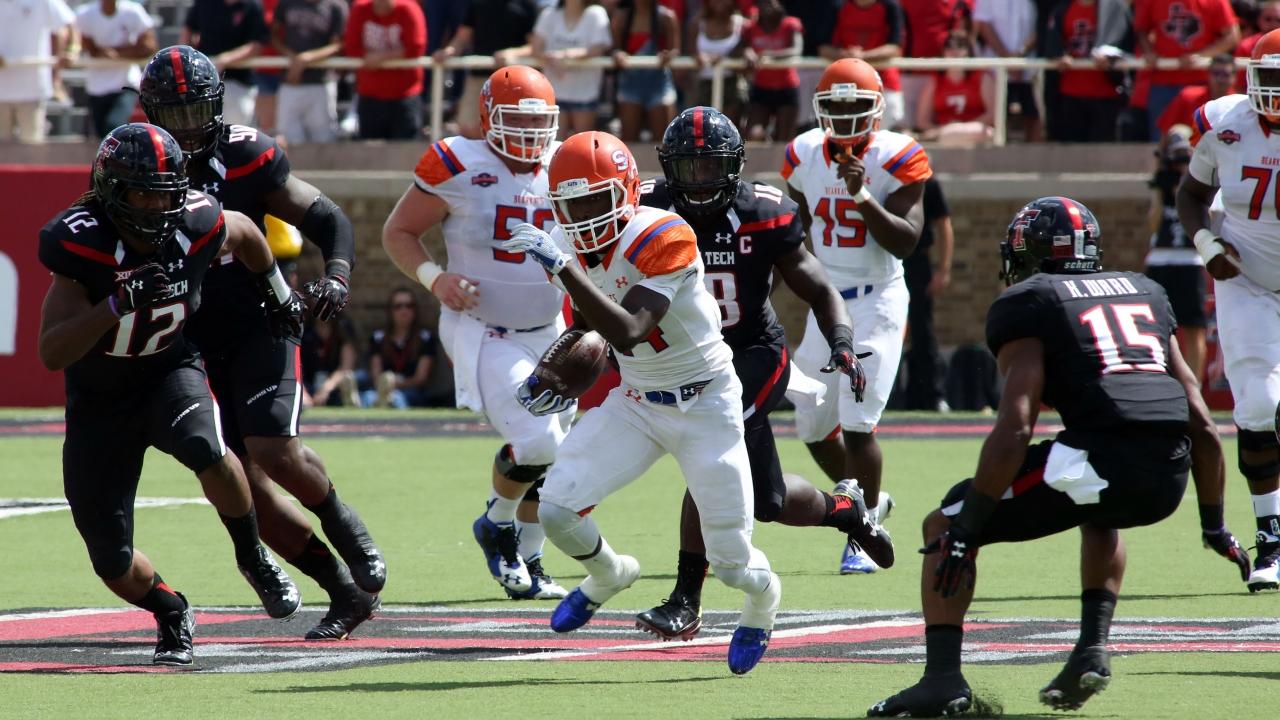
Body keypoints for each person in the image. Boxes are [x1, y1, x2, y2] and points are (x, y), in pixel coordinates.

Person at [868, 196, 1246, 716]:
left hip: (1101, 460)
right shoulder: (1146, 291)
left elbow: (1016, 424)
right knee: (1098, 508)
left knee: (944, 523)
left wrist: (967, 527)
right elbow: (1200, 417)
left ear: (1030, 254)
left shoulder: (1031, 301)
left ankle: (941, 680)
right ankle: (1091, 648)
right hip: (1170, 473)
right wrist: (1214, 525)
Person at [500, 131, 795, 677]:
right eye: (573, 205)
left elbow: (631, 329)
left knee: (731, 562)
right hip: (637, 400)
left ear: (628, 192)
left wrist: (562, 267)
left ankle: (763, 599)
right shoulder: (568, 245)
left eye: (597, 200)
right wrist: (554, 373)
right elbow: (589, 326)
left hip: (706, 404)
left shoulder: (664, 233)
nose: (585, 217)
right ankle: (610, 573)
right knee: (557, 508)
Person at [140, 46, 385, 640]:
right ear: (149, 113)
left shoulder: (246, 153)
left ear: (218, 106)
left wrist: (338, 276)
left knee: (274, 449)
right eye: (173, 115)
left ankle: (343, 525)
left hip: (260, 320)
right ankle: (344, 592)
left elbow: (327, 218)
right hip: (187, 341)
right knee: (238, 483)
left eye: (196, 112)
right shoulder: (137, 161)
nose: (187, 128)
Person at [37, 123, 304, 666]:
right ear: (112, 191)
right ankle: (171, 609)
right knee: (111, 559)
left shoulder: (197, 220)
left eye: (166, 192)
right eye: (144, 194)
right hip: (100, 401)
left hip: (168, 372)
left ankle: (252, 556)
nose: (158, 206)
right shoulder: (79, 241)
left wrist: (277, 295)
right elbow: (52, 351)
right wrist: (114, 306)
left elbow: (247, 233)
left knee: (208, 448)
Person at [632, 107, 889, 641]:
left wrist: (842, 343)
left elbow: (820, 288)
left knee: (707, 452)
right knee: (767, 501)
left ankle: (685, 600)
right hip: (687, 357)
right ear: (668, 168)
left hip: (752, 352)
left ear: (735, 166)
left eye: (711, 166)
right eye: (688, 168)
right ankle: (846, 509)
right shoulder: (647, 207)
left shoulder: (764, 212)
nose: (699, 181)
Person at [381, 66, 570, 600]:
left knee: (554, 456)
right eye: (517, 121)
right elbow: (399, 231)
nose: (530, 133)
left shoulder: (565, 165)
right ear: (489, 117)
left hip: (550, 327)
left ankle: (530, 560)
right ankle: (496, 522)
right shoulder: (459, 162)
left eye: (538, 122)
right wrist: (434, 278)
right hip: (484, 328)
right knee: (537, 440)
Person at [783, 58, 930, 573]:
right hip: (827, 298)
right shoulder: (802, 153)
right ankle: (867, 504)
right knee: (811, 423)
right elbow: (798, 231)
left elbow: (906, 242)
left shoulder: (898, 155)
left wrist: (862, 194)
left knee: (858, 424)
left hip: (877, 297)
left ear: (877, 109)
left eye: (855, 106)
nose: (845, 116)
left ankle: (861, 535)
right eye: (836, 106)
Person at [1176, 27, 1280, 591]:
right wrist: (1207, 245)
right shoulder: (1223, 122)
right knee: (1258, 405)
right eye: (1272, 76)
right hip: (1248, 280)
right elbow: (1191, 194)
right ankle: (1272, 538)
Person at [1144, 127, 1209, 382]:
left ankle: (1195, 390)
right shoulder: (1162, 182)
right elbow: (1152, 226)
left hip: (1190, 260)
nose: (1181, 163)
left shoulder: (1204, 181)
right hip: (1161, 259)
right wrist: (1160, 185)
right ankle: (1160, 384)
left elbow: (1211, 218)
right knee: (1155, 328)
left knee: (1194, 328)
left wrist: (1190, 181)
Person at [433, 0, 543, 138]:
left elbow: (535, 46)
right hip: (479, 79)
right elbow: (462, 37)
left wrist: (512, 53)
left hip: (514, 83)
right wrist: (448, 51)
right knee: (469, 130)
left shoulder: (527, 5)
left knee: (511, 132)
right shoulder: (477, 3)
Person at [1135, 0, 1239, 141]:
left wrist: (1201, 56)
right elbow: (1141, 29)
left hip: (1202, 85)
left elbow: (1232, 36)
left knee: (1209, 139)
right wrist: (1149, 52)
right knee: (1162, 138)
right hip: (1163, 82)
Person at [902, 176, 953, 411]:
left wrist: (943, 270)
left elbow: (943, 224)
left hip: (916, 262)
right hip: (885, 261)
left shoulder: (927, 183)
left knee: (922, 329)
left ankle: (933, 394)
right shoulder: (881, 178)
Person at [345, 0, 428, 141]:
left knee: (405, 148)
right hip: (370, 95)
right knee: (369, 148)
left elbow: (416, 47)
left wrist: (381, 57)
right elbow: (351, 47)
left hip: (405, 95)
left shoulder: (408, 9)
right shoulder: (360, 9)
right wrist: (373, 57)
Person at [1044, 0, 1125, 142]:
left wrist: (1110, 55)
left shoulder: (1113, 7)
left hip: (1105, 93)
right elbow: (1052, 42)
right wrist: (1058, 55)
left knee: (1102, 148)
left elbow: (1123, 40)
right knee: (1072, 147)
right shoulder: (1063, 9)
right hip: (1071, 93)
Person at [75, 0, 158, 139]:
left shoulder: (133, 12)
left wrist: (117, 54)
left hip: (125, 84)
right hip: (96, 87)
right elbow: (81, 43)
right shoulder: (85, 14)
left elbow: (149, 46)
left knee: (113, 127)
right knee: (102, 136)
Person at [531, 0, 614, 137]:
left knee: (582, 144)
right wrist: (551, 58)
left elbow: (598, 48)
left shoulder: (596, 13)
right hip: (554, 95)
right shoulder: (549, 14)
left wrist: (564, 55)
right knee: (553, 143)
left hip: (585, 95)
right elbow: (536, 48)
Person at [181, 0, 270, 127]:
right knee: (200, 129)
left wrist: (224, 60)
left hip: (238, 82)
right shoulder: (204, 3)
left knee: (234, 130)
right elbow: (188, 30)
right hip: (202, 84)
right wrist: (185, 58)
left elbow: (257, 44)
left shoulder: (252, 6)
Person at [820, 0, 905, 130]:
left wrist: (862, 56)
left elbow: (895, 48)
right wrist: (848, 56)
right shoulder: (838, 6)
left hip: (885, 82)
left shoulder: (890, 6)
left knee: (886, 131)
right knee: (843, 131)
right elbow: (824, 48)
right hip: (845, 85)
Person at [271, 0, 347, 144]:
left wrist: (306, 58)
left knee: (324, 139)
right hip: (291, 81)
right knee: (287, 140)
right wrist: (292, 57)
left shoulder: (335, 6)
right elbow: (273, 36)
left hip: (321, 82)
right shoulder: (287, 3)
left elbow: (338, 45)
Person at [0, 0, 75, 143]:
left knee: (32, 149)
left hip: (32, 92)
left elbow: (68, 24)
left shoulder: (44, 2)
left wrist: (72, 50)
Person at [612, 0, 680, 142]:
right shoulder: (621, 17)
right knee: (629, 141)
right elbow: (613, 49)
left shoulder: (666, 18)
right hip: (630, 84)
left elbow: (675, 50)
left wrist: (668, 56)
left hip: (659, 84)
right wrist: (618, 54)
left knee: (663, 141)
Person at [973, 0, 1041, 141]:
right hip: (995, 68)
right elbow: (983, 24)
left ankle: (1034, 153)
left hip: (1029, 68)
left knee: (1032, 115)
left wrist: (1020, 55)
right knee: (999, 116)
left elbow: (1042, 24)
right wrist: (1007, 58)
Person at [738, 0, 803, 141]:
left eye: (771, 2)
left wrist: (768, 55)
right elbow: (740, 48)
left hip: (787, 88)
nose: (768, 6)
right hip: (761, 89)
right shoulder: (750, 28)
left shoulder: (791, 25)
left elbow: (796, 50)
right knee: (753, 135)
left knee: (783, 139)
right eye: (763, 2)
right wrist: (747, 52)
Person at [914, 32, 994, 144]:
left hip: (975, 133)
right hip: (943, 134)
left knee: (983, 132)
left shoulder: (982, 78)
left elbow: (993, 114)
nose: (955, 51)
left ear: (969, 51)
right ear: (943, 52)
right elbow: (922, 120)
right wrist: (942, 130)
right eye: (949, 46)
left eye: (961, 46)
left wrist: (960, 127)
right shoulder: (935, 81)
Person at [363, 288, 437, 408]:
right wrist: (385, 386)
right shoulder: (378, 337)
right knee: (367, 397)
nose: (404, 310)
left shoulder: (425, 338)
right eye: (398, 306)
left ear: (415, 310)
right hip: (382, 390)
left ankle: (388, 403)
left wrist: (394, 384)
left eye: (409, 306)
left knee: (397, 399)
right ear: (390, 311)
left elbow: (421, 378)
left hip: (411, 391)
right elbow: (376, 375)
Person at [692, 0, 747, 126]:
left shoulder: (743, 24)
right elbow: (691, 53)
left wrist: (727, 58)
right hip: (704, 86)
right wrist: (699, 57)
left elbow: (746, 49)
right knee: (705, 129)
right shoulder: (697, 24)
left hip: (733, 85)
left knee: (729, 129)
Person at [1155, 54, 1236, 136]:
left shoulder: (1239, 104)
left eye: (1225, 74)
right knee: (1180, 131)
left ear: (1235, 77)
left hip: (1228, 143)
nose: (1220, 79)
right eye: (1216, 73)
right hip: (1191, 143)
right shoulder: (1188, 96)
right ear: (1208, 74)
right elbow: (1165, 129)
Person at [301, 314, 361, 407]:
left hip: (335, 385)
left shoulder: (343, 331)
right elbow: (295, 367)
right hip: (309, 385)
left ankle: (350, 403)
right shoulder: (306, 333)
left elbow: (345, 367)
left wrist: (326, 388)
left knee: (349, 378)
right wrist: (303, 392)